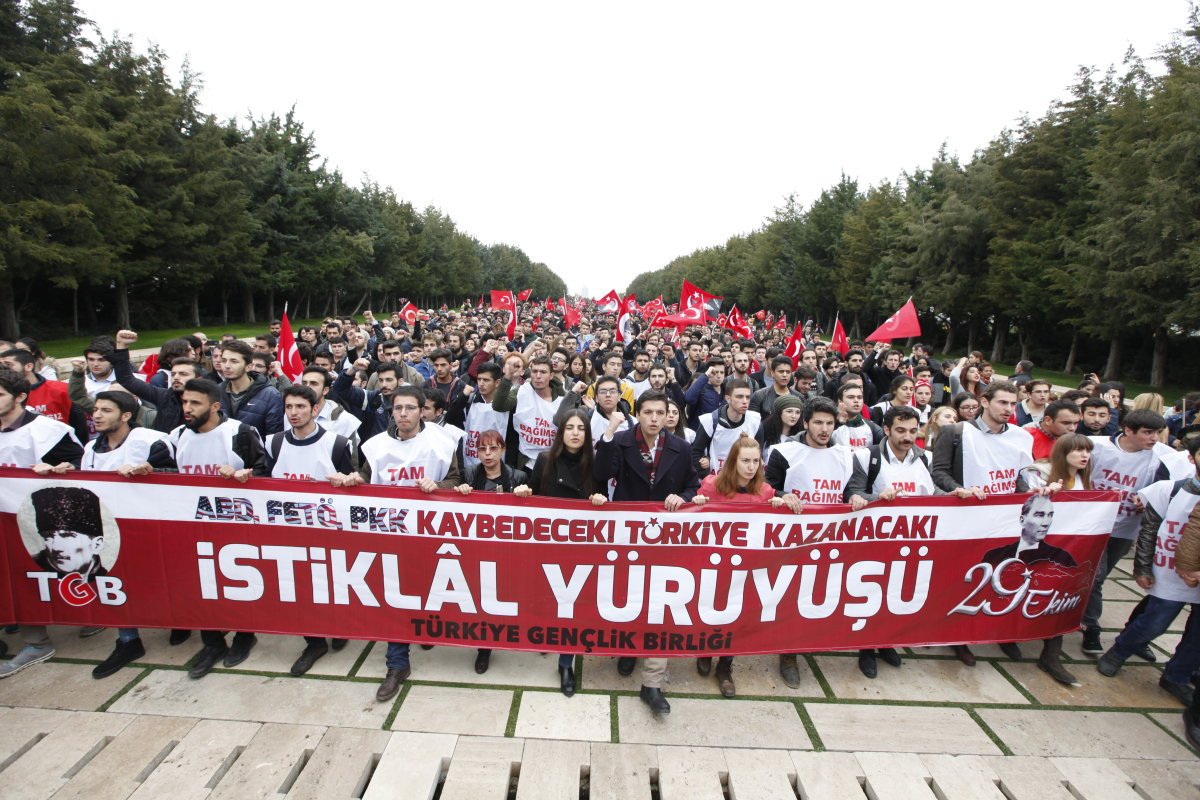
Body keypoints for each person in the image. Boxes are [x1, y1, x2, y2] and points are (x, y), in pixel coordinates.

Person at [124, 378, 269, 678]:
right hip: (192, 528)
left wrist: (246, 474)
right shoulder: (177, 436)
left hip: (235, 528)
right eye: (184, 402)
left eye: (195, 403)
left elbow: (266, 474)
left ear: (215, 406)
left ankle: (244, 635)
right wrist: (149, 471)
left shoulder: (239, 433)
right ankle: (212, 642)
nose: (187, 409)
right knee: (200, 588)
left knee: (240, 585)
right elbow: (170, 473)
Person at [344, 386, 461, 701]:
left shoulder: (442, 441)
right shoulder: (375, 446)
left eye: (410, 408)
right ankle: (396, 664)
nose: (404, 414)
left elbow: (458, 479)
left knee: (431, 590)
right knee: (396, 595)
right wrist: (355, 481)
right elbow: (365, 479)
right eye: (398, 408)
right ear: (391, 411)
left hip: (430, 533)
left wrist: (437, 485)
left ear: (423, 410)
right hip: (390, 533)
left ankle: (424, 628)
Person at [594, 390, 701, 715]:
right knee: (629, 597)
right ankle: (628, 648)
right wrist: (609, 435)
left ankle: (652, 682)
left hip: (667, 540)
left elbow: (692, 485)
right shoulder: (623, 441)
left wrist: (681, 498)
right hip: (628, 537)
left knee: (661, 605)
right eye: (648, 412)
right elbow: (600, 475)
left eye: (660, 412)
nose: (655, 418)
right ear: (638, 414)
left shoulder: (680, 448)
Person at [931, 381, 1035, 666]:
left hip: (1007, 520)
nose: (1009, 410)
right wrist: (957, 489)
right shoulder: (956, 433)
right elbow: (938, 472)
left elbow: (1023, 476)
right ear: (985, 402)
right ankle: (959, 636)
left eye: (1013, 404)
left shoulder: (1020, 437)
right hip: (967, 519)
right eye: (1003, 403)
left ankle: (1002, 631)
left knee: (1007, 573)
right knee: (966, 578)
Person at [1096, 436, 1200, 707]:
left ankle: (1178, 675)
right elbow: (1149, 530)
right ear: (1191, 458)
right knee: (1155, 621)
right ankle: (1120, 651)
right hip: (1168, 572)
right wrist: (1143, 566)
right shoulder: (1169, 490)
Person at [691, 434, 798, 696]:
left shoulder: (764, 492)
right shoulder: (711, 486)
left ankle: (725, 667)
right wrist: (697, 504)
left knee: (737, 616)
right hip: (715, 565)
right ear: (733, 462)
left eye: (756, 462)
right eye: (746, 461)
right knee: (710, 608)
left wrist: (779, 505)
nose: (751, 467)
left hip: (748, 568)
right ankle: (705, 650)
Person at [265, 385, 357, 675]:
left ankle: (341, 625)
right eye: (289, 407)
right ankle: (314, 640)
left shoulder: (337, 443)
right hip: (290, 533)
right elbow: (264, 484)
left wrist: (345, 481)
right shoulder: (274, 443)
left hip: (330, 533)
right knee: (301, 588)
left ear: (315, 409)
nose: (294, 413)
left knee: (334, 583)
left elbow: (353, 486)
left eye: (300, 407)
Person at [765, 397, 855, 687]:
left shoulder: (846, 454)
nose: (824, 429)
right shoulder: (784, 451)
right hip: (792, 541)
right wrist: (780, 493)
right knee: (792, 596)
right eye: (818, 422)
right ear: (805, 423)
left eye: (829, 423)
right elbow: (765, 487)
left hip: (831, 538)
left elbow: (853, 486)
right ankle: (788, 652)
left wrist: (855, 494)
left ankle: (813, 637)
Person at [843, 406, 938, 679]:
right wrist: (877, 498)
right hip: (875, 543)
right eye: (900, 430)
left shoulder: (925, 459)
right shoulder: (866, 456)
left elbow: (935, 493)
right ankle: (865, 648)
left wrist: (957, 493)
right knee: (870, 597)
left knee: (897, 595)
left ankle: (886, 642)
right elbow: (853, 494)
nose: (907, 437)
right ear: (886, 430)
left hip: (913, 542)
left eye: (912, 431)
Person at [1081, 409, 1181, 657]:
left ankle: (1079, 613)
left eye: (1157, 432)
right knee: (1096, 577)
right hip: (1091, 524)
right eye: (1148, 432)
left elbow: (1174, 482)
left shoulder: (1163, 456)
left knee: (1098, 578)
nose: (1154, 438)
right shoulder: (1096, 446)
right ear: (1127, 430)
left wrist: (1148, 497)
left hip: (1126, 528)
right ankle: (1091, 626)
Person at [455, 430, 530, 675]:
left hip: (509, 550)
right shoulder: (468, 475)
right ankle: (484, 647)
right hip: (476, 550)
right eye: (482, 449)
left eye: (493, 448)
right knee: (482, 600)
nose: (487, 454)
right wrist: (459, 492)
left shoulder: (518, 477)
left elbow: (533, 516)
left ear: (503, 450)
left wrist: (524, 495)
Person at [492, 355, 568, 469]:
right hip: (525, 461)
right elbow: (499, 406)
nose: (538, 376)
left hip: (554, 463)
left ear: (551, 375)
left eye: (543, 372)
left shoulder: (564, 398)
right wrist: (507, 377)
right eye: (535, 371)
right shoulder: (522, 391)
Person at [216, 340, 284, 439]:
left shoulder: (270, 395)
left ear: (248, 367)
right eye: (223, 360)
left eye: (234, 361)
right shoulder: (216, 391)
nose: (227, 366)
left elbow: (273, 439)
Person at [692, 379, 760, 476]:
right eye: (739, 397)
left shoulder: (755, 421)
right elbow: (696, 453)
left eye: (748, 397)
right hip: (716, 481)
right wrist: (706, 477)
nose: (745, 401)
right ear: (728, 398)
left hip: (744, 482)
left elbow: (758, 453)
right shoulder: (709, 421)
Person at [831, 381, 882, 450]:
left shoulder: (870, 426)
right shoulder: (829, 424)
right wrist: (838, 423)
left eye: (859, 397)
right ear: (840, 401)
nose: (856, 400)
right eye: (851, 397)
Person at [756, 394, 803, 461]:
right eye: (789, 411)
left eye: (797, 412)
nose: (794, 416)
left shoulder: (801, 435)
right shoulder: (763, 431)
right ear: (779, 412)